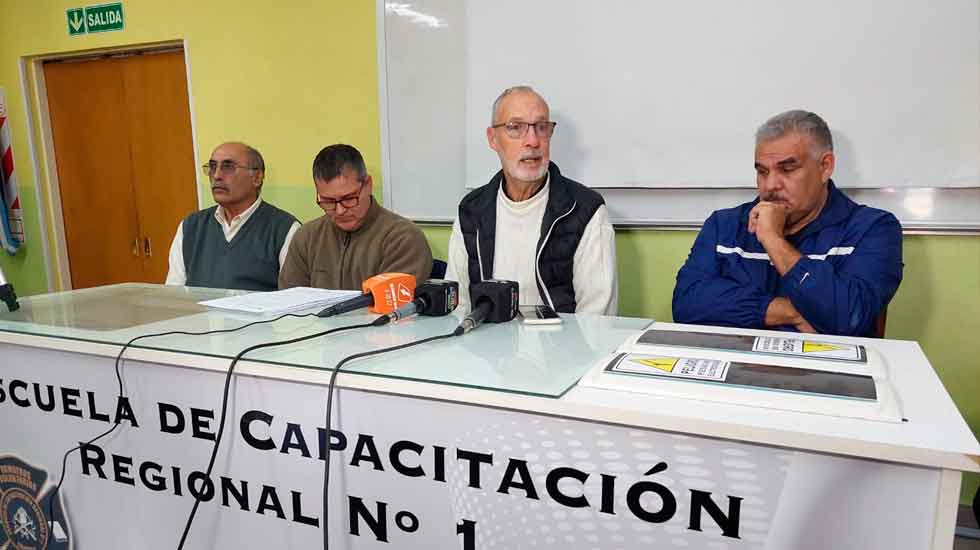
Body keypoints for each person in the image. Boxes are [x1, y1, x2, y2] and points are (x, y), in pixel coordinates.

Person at [672, 110, 903, 336]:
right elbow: (686, 303)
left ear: (825, 166)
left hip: (825, 372)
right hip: (737, 367)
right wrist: (790, 312)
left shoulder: (873, 228)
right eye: (762, 172)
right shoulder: (723, 225)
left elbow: (849, 317)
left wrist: (773, 239)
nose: (771, 185)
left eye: (787, 169)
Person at [445, 86, 618, 314]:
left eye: (542, 127)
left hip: (564, 347)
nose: (533, 141)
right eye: (515, 128)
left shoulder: (585, 211)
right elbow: (458, 309)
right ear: (493, 139)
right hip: (488, 347)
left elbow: (597, 322)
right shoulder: (471, 211)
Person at [278, 144, 432, 290]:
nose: (339, 211)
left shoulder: (403, 238)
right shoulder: (306, 237)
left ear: (368, 185)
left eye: (348, 199)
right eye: (328, 201)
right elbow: (289, 304)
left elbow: (393, 310)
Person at [166, 142, 299, 291]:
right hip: (197, 314)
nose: (216, 176)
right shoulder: (190, 227)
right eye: (212, 167)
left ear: (257, 177)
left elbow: (292, 302)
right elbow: (174, 296)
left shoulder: (285, 229)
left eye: (228, 167)